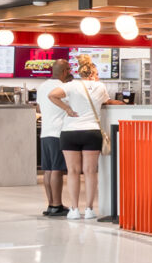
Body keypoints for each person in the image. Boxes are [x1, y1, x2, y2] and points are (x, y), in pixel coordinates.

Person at [46, 55, 104, 219]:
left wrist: (68, 109)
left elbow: (52, 95)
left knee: (72, 171)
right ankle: (90, 209)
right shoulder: (100, 86)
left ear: (79, 72)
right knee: (90, 172)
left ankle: (73, 209)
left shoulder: (71, 85)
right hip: (91, 132)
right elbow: (106, 102)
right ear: (94, 73)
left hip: (70, 131)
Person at [35, 59, 69, 217]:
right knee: (57, 170)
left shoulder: (42, 86)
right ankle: (57, 205)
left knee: (48, 170)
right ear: (65, 71)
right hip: (58, 132)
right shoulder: (64, 88)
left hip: (45, 132)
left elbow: (39, 108)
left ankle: (50, 204)